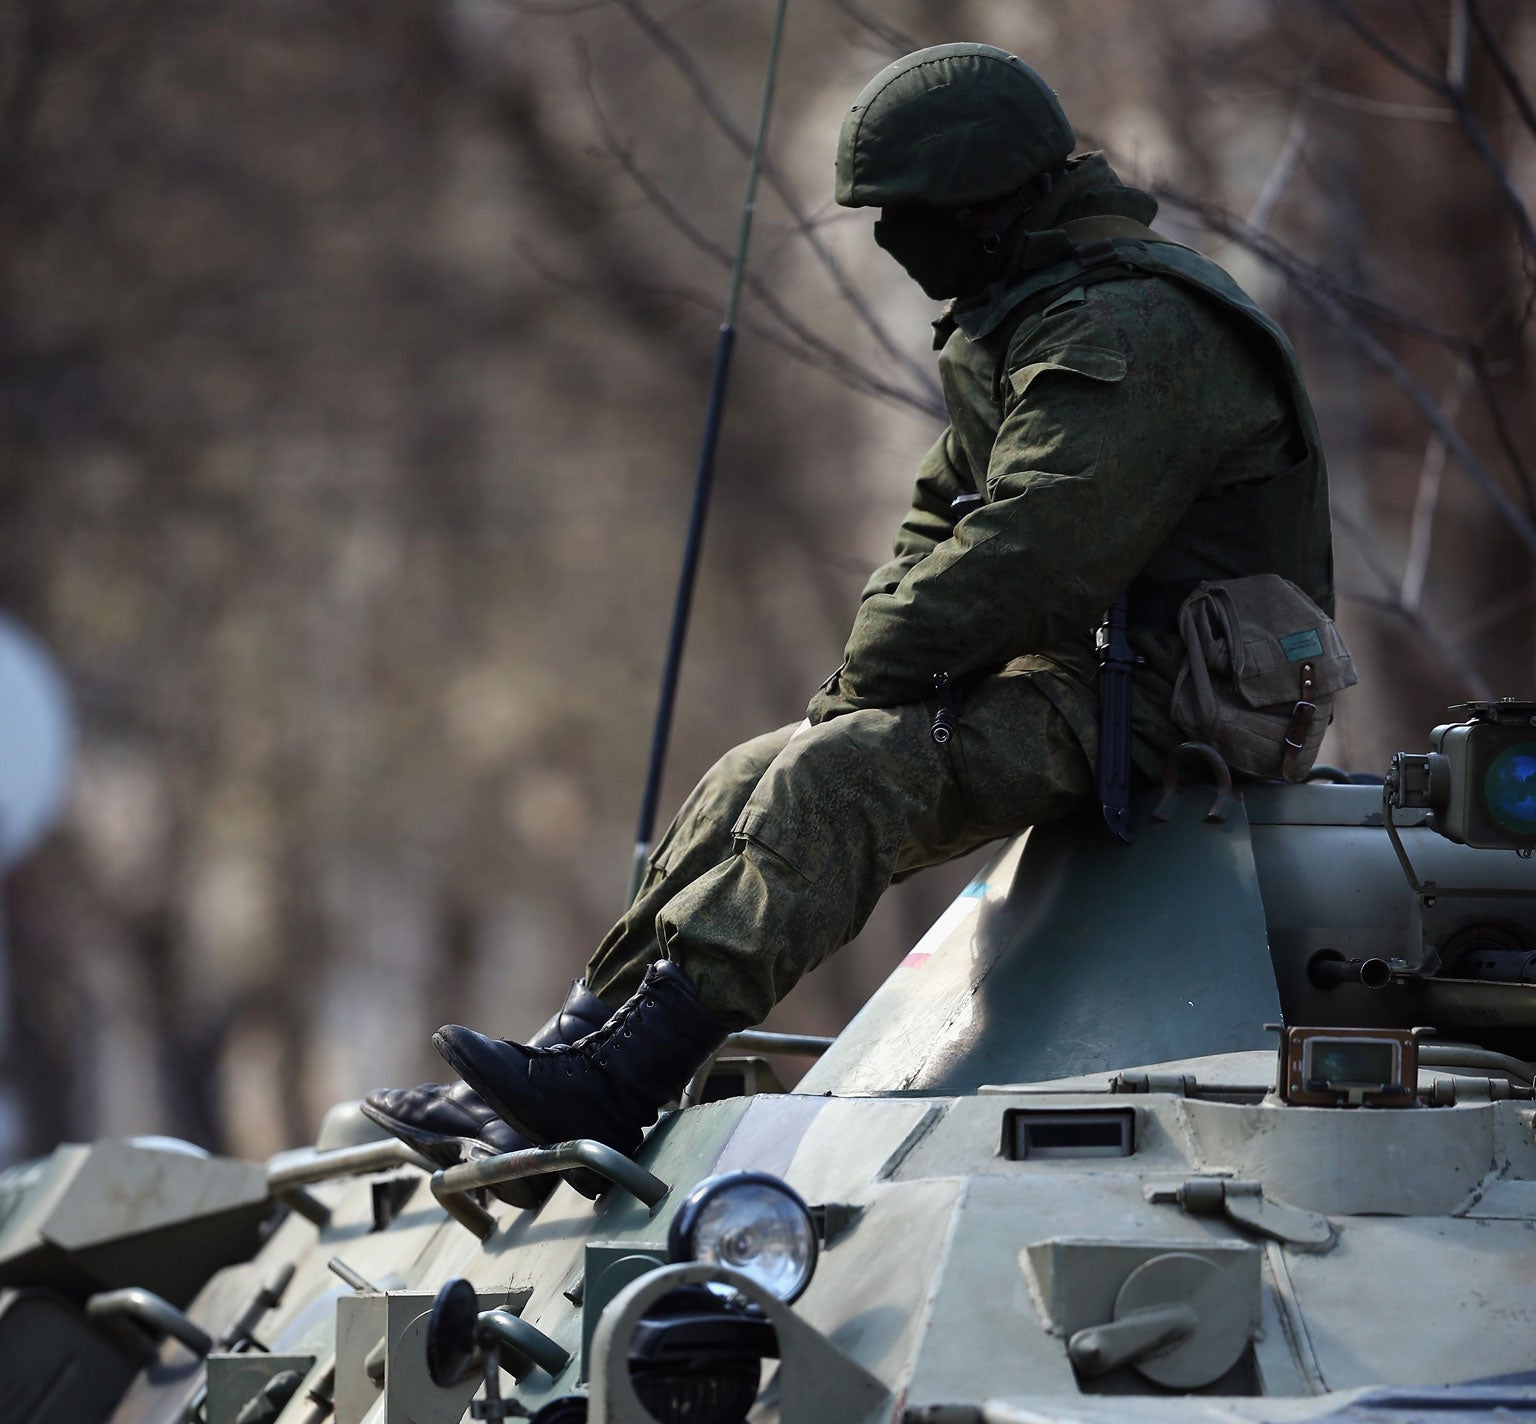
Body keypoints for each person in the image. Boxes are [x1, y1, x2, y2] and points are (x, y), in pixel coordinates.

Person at [364, 40, 1334, 1190]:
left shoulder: (1128, 329)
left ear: (982, 201)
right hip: (1078, 670)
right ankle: (574, 1057)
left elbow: (1027, 558)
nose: (888, 237)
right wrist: (854, 687)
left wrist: (873, 687)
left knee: (844, 779)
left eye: (904, 211)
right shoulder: (1022, 310)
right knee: (756, 771)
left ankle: (619, 1086)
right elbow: (939, 525)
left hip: (1181, 700)